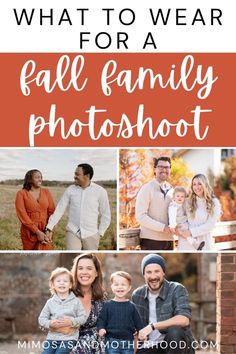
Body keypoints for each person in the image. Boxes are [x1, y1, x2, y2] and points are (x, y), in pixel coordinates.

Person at [132, 254, 195, 354]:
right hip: (150, 346)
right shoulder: (137, 295)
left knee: (175, 332)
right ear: (144, 274)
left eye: (157, 271)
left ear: (163, 273)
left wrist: (152, 326)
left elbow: (184, 319)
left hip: (175, 346)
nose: (153, 276)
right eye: (148, 272)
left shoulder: (176, 289)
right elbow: (134, 328)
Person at [45, 164, 111, 250]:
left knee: (89, 257)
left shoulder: (100, 191)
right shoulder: (70, 189)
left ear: (87, 176)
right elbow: (60, 209)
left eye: (77, 174)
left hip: (91, 234)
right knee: (72, 256)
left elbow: (106, 214)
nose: (74, 177)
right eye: (75, 174)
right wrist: (49, 227)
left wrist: (100, 233)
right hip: (73, 231)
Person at [55, 253, 106, 354]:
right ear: (75, 272)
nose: (84, 272)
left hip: (94, 344)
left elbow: (107, 323)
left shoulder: (101, 296)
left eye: (89, 268)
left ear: (96, 273)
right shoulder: (64, 294)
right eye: (80, 268)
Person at [38, 267, 87, 354]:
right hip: (52, 337)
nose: (62, 283)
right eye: (58, 281)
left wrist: (72, 321)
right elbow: (41, 319)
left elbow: (83, 317)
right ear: (53, 284)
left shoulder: (76, 301)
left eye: (65, 281)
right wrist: (50, 323)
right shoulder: (50, 302)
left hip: (69, 338)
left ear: (70, 285)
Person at [97, 271, 143, 354]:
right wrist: (101, 328)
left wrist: (142, 333)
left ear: (129, 288)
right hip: (111, 342)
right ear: (112, 287)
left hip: (128, 342)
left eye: (123, 284)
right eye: (116, 284)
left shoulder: (132, 306)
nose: (120, 287)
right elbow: (102, 319)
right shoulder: (108, 305)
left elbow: (138, 323)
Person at [135, 157, 174, 251]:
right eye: (160, 167)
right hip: (151, 241)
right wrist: (162, 227)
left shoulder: (173, 190)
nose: (164, 170)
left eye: (167, 167)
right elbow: (140, 216)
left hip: (169, 240)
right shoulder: (147, 189)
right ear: (155, 169)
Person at [177, 174, 222, 251]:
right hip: (186, 242)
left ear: (205, 185)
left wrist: (191, 232)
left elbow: (210, 225)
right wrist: (184, 231)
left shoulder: (214, 203)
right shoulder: (187, 201)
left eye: (199, 184)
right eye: (194, 184)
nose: (196, 187)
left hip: (204, 242)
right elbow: (180, 218)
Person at [15, 169, 55, 250]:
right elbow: (22, 215)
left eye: (41, 177)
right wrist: (37, 231)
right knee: (30, 256)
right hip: (29, 231)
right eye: (37, 177)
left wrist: (50, 230)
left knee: (46, 255)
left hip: (46, 229)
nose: (40, 179)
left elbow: (52, 212)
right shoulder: (21, 193)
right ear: (30, 179)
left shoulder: (46, 192)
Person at [168, 187, 205, 251]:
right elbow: (172, 217)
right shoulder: (173, 206)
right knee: (184, 234)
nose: (180, 198)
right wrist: (172, 226)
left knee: (186, 235)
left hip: (184, 222)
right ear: (173, 197)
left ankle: (195, 244)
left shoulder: (181, 204)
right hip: (180, 224)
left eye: (182, 197)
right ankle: (195, 244)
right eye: (178, 196)